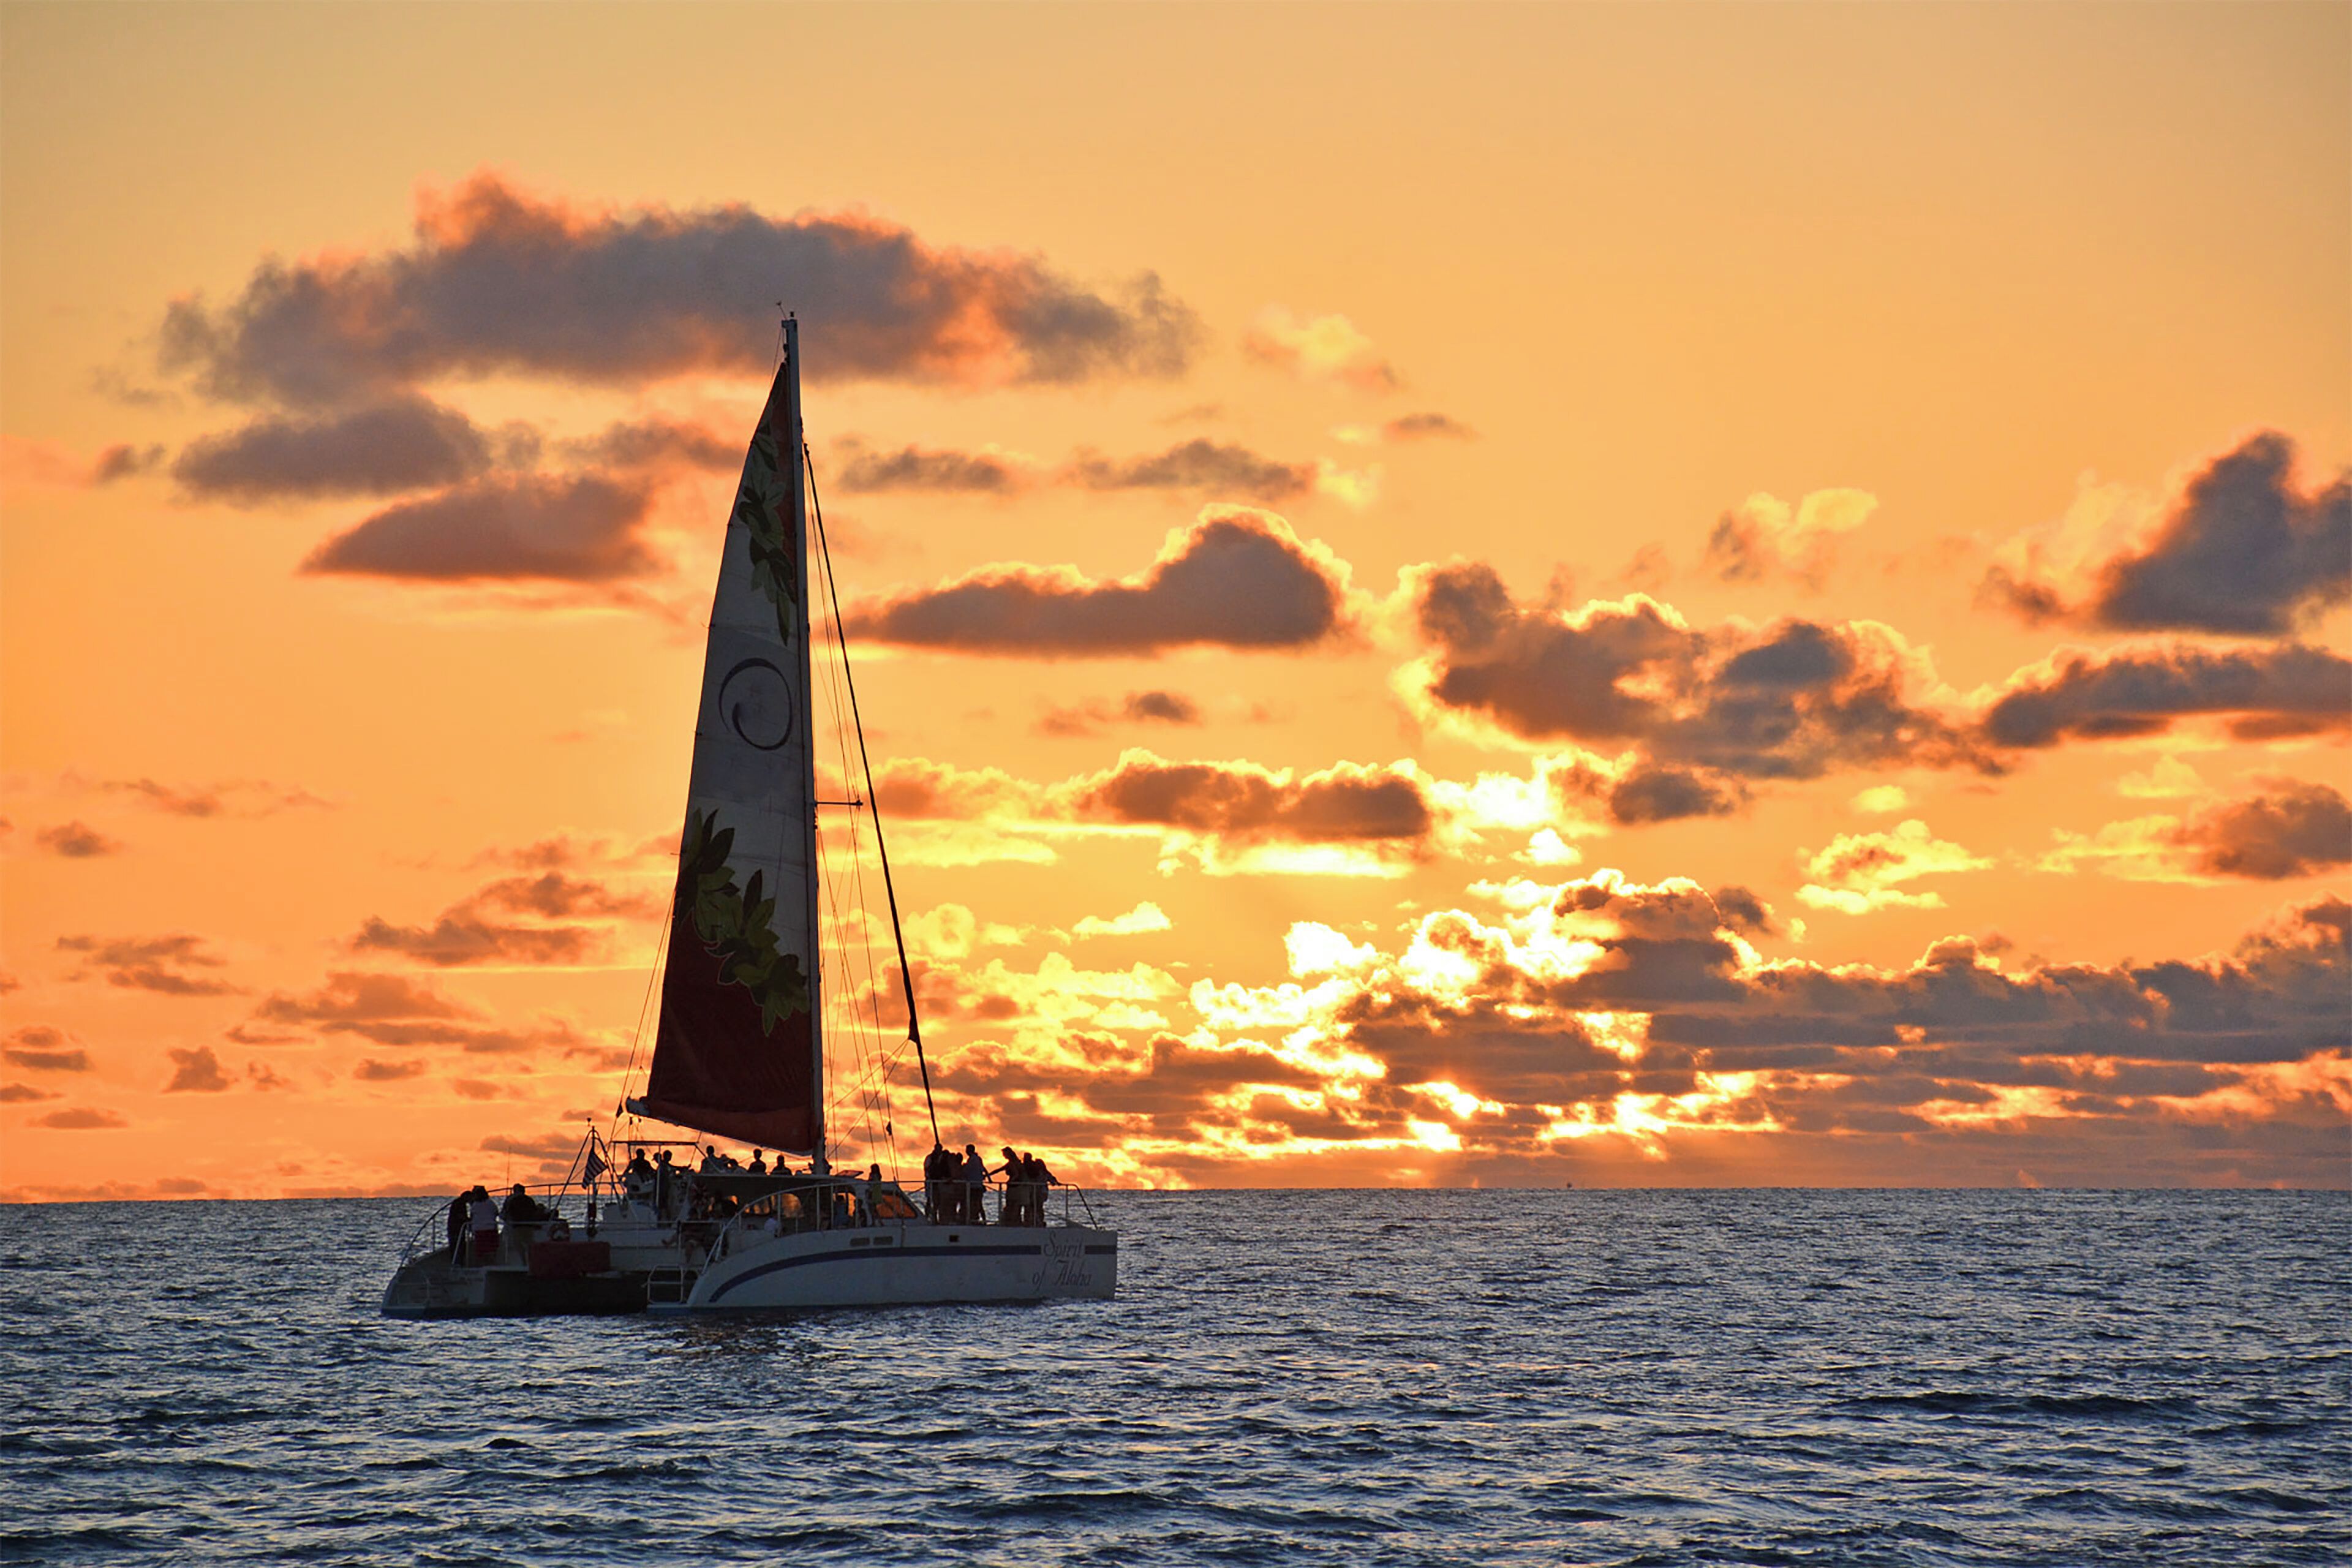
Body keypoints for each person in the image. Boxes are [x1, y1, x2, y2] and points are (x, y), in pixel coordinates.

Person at [467, 1185, 499, 1264]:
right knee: (491, 1250)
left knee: (480, 1252)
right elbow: (496, 1213)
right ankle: (491, 1265)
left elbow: (472, 1216)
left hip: (479, 1230)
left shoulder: (475, 1205)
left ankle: (481, 1266)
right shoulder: (491, 1203)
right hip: (491, 1229)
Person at [960, 1144, 989, 1224]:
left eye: (967, 1150)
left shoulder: (972, 1160)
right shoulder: (978, 1159)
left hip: (974, 1186)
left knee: (975, 1203)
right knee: (979, 1204)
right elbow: (983, 1168)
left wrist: (963, 1168)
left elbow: (967, 1171)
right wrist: (988, 1177)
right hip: (978, 1185)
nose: (966, 1151)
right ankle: (983, 1219)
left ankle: (977, 1219)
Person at [445, 1192, 467, 1261]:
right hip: (456, 1228)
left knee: (455, 1245)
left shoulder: (457, 1202)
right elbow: (460, 1216)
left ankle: (456, 1260)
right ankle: (458, 1261)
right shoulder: (460, 1204)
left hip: (453, 1227)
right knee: (458, 1245)